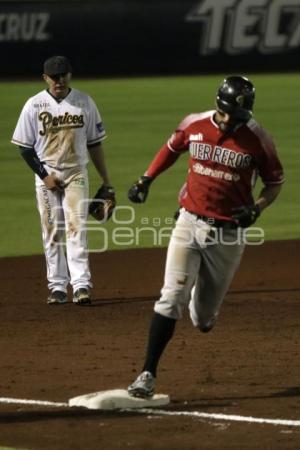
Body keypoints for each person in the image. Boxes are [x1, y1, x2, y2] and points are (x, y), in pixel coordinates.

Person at [126, 75, 284, 398]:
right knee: (171, 298)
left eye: (236, 118)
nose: (228, 122)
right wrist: (146, 179)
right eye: (226, 114)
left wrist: (258, 208)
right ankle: (147, 373)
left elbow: (275, 182)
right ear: (218, 105)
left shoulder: (259, 140)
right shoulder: (194, 124)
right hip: (188, 223)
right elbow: (171, 149)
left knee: (203, 319)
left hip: (228, 236)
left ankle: (199, 294)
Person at [11, 55, 115, 305]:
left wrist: (106, 181)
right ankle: (57, 286)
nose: (59, 80)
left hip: (76, 173)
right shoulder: (34, 105)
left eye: (63, 75)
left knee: (76, 228)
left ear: (70, 75)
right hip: (47, 174)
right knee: (52, 231)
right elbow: (25, 148)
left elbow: (95, 143)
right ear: (45, 78)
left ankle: (81, 286)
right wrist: (44, 176)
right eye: (54, 76)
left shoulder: (84, 102)